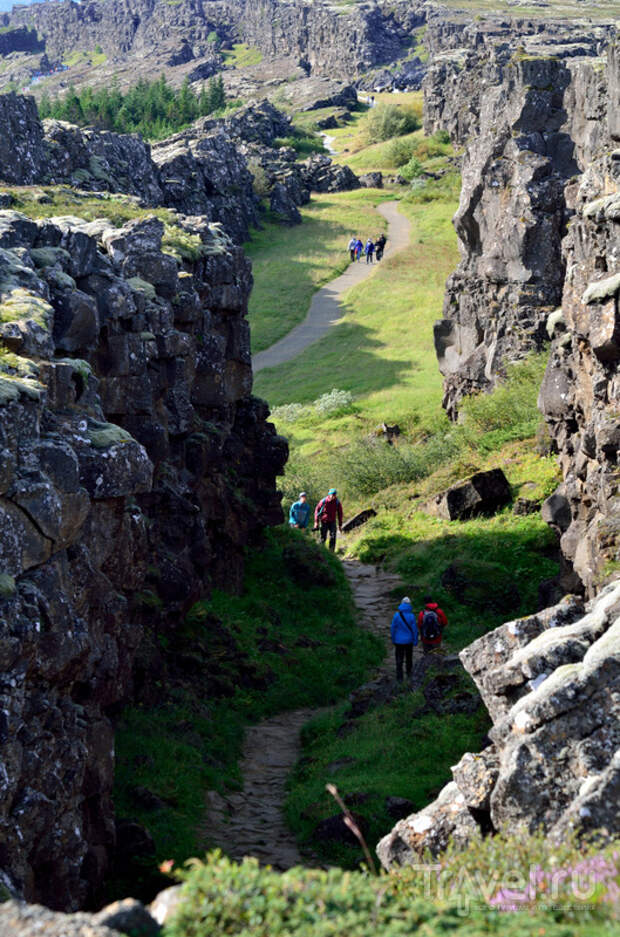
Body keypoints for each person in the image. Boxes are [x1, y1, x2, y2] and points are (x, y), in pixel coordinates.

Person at [390, 596, 418, 682]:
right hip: (409, 641)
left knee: (399, 659)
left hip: (398, 641)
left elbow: (393, 628)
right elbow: (414, 630)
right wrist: (415, 640)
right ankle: (409, 675)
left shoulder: (397, 615)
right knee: (409, 659)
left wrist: (393, 638)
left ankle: (399, 678)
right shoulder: (411, 616)